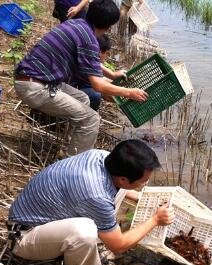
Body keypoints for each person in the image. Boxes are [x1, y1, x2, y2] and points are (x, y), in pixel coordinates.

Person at [8, 140, 174, 265]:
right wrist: (155, 220)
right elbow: (119, 246)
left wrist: (142, 199)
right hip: (23, 235)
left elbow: (116, 190)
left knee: (102, 211)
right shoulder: (97, 195)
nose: (144, 184)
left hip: (52, 216)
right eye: (142, 182)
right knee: (85, 231)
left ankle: (80, 249)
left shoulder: (101, 156)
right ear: (123, 179)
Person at [14, 0, 148, 156]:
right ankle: (72, 164)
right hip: (35, 87)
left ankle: (68, 149)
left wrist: (111, 75)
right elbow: (98, 86)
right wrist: (129, 92)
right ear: (109, 26)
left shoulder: (77, 24)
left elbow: (88, 61)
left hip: (33, 79)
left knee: (83, 99)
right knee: (92, 120)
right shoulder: (89, 40)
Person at [72, 35, 126, 111]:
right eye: (107, 53)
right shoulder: (88, 57)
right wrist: (127, 93)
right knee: (95, 95)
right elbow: (99, 85)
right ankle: (86, 118)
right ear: (99, 52)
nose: (107, 56)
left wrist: (113, 76)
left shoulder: (86, 52)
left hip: (78, 85)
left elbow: (100, 75)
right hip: (70, 89)